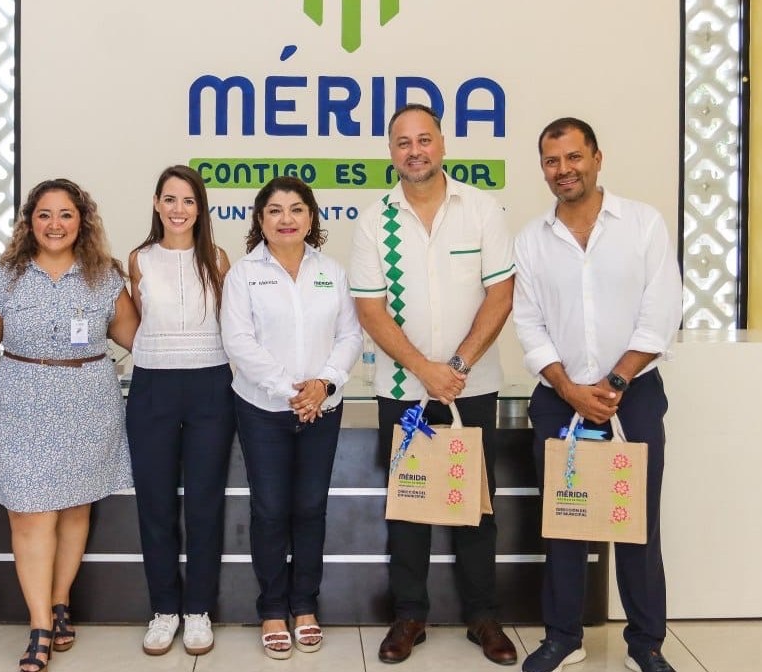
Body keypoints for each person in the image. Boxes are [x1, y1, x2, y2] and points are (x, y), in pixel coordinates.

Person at [348, 103, 518, 665]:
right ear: (391, 152)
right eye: (403, 142)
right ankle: (410, 616)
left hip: (473, 386)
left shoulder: (481, 209)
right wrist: (425, 369)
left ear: (442, 144)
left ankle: (483, 616)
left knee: (478, 507)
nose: (414, 150)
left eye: (424, 139)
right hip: (403, 390)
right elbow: (370, 310)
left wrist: (458, 366)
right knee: (408, 505)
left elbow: (500, 295)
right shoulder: (374, 220)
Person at [513, 117, 681, 672]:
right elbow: (529, 323)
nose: (563, 170)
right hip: (558, 399)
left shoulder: (642, 224)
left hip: (632, 396)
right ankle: (563, 637)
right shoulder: (532, 240)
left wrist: (613, 384)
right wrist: (568, 388)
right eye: (552, 161)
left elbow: (661, 312)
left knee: (636, 522)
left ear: (597, 158)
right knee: (565, 522)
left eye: (573, 157)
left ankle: (646, 643)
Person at [0, 178, 139, 672]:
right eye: (44, 214)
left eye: (66, 214)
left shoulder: (104, 276)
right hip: (20, 405)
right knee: (30, 515)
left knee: (74, 510)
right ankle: (40, 624)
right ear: (29, 222)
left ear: (82, 221)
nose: (55, 224)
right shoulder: (3, 276)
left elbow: (137, 338)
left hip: (88, 405)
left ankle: (60, 601)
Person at [220, 176, 361, 660]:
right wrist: (291, 391)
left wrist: (324, 384)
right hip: (262, 410)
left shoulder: (331, 271)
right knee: (270, 509)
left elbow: (350, 336)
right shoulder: (244, 274)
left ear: (311, 217)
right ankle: (273, 609)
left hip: (323, 407)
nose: (286, 219)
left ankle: (305, 606)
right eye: (275, 210)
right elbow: (239, 342)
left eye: (297, 209)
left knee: (310, 508)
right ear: (260, 220)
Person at [125, 165, 234, 656]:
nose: (178, 209)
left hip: (212, 384)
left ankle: (198, 610)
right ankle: (164, 609)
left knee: (205, 502)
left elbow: (230, 323)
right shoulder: (139, 259)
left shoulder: (219, 258)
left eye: (188, 201)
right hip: (153, 386)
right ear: (156, 203)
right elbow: (138, 322)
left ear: (200, 208)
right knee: (156, 504)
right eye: (170, 199)